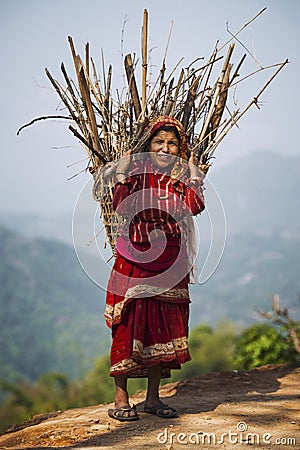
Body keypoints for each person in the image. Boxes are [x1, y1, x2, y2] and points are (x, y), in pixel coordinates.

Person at [105, 115, 205, 421]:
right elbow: (122, 205)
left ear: (180, 147)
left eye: (172, 143)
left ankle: (152, 398)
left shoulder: (182, 176)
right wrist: (121, 172)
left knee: (163, 322)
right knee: (130, 321)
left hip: (172, 259)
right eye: (158, 142)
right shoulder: (135, 172)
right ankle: (121, 398)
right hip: (134, 256)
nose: (165, 148)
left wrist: (194, 176)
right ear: (148, 144)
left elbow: (195, 206)